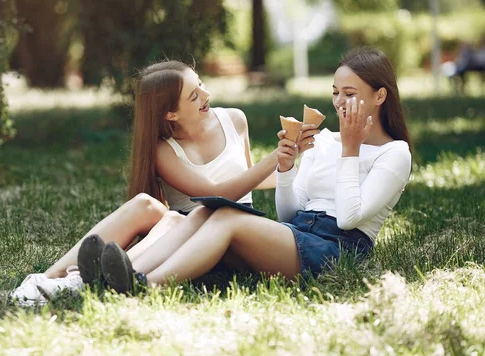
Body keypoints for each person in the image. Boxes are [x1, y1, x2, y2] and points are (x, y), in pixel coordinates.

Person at [96, 47, 413, 292]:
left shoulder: (395, 154)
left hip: (340, 251)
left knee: (227, 217)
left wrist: (351, 149)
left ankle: (143, 285)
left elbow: (347, 218)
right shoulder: (325, 141)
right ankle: (125, 272)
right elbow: (289, 216)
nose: (339, 103)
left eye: (350, 95)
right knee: (205, 213)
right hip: (298, 234)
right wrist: (287, 170)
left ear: (380, 95)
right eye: (335, 93)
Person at [10, 61, 317, 305]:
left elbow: (247, 178)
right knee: (147, 206)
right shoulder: (163, 150)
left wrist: (294, 167)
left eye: (201, 86)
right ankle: (45, 280)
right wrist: (274, 157)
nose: (206, 96)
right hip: (181, 231)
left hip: (226, 235)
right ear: (171, 113)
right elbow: (216, 193)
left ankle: (89, 279)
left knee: (179, 218)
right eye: (193, 95)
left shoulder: (234, 119)